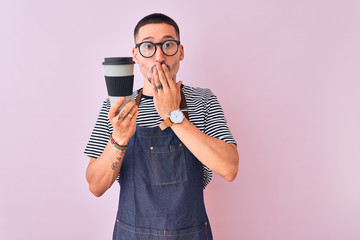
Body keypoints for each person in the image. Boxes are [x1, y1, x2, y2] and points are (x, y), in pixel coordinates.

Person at [84, 13, 239, 240]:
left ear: (181, 51)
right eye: (148, 46)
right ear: (136, 55)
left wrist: (173, 116)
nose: (159, 56)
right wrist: (119, 139)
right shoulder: (118, 108)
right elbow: (95, 186)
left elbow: (229, 168)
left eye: (168, 44)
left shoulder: (204, 100)